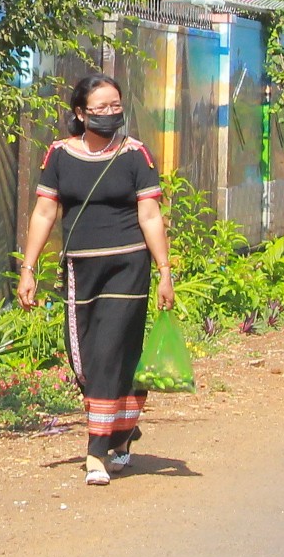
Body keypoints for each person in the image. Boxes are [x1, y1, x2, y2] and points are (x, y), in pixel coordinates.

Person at [16, 75, 176, 486]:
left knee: (111, 349)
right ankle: (122, 429)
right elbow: (44, 214)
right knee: (84, 356)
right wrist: (29, 268)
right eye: (100, 108)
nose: (109, 114)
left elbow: (151, 217)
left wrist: (164, 272)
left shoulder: (135, 154)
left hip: (128, 266)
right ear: (80, 113)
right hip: (79, 269)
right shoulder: (58, 155)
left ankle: (96, 451)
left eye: (115, 106)